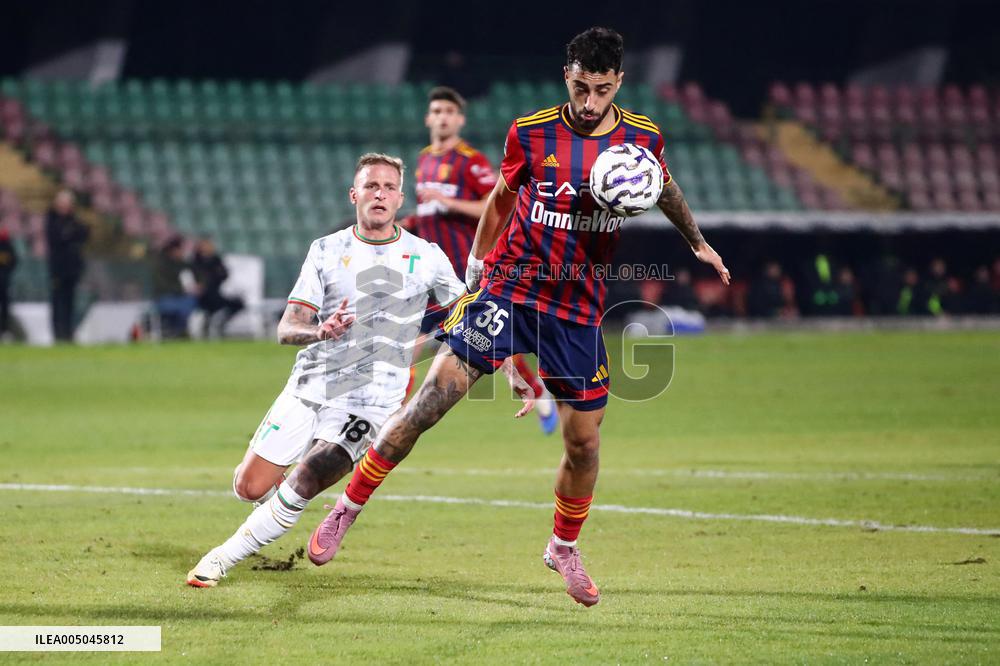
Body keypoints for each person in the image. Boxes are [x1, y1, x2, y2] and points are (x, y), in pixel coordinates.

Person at [306, 27, 730, 607]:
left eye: (601, 90)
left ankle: (563, 546)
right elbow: (501, 199)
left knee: (584, 444)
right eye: (581, 87)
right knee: (431, 402)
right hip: (510, 289)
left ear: (618, 84)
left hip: (577, 307)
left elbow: (665, 186)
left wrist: (697, 241)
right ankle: (345, 509)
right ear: (567, 77)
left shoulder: (642, 139)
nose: (588, 103)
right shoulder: (531, 134)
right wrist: (478, 263)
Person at [186, 153, 533, 587]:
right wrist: (320, 332)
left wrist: (509, 368)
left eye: (389, 187)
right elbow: (287, 327)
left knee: (309, 476)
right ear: (354, 195)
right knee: (249, 487)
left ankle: (221, 557)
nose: (380, 194)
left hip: (371, 401)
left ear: (400, 198)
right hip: (311, 385)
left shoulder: (425, 256)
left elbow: (472, 316)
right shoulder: (327, 250)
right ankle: (267, 515)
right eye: (371, 186)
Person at [406, 86, 558, 433]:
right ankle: (385, 420)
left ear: (459, 119)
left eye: (449, 111)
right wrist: (411, 222)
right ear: (429, 117)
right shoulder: (425, 159)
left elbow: (496, 205)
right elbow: (430, 213)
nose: (443, 116)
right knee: (419, 346)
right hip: (431, 270)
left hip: (465, 268)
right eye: (437, 110)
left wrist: (449, 203)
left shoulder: (469, 161)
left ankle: (536, 390)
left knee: (481, 336)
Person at [45, 189, 89, 342]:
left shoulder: (72, 220)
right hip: (58, 269)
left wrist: (70, 233)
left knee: (70, 302)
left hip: (72, 269)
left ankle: (68, 333)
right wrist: (70, 233)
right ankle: (58, 333)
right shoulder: (52, 219)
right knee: (58, 301)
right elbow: (59, 238)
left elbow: (83, 233)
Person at [191, 236, 245, 338]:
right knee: (210, 305)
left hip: (215, 293)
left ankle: (219, 322)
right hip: (203, 295)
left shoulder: (215, 259)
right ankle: (210, 323)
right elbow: (200, 278)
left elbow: (224, 274)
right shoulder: (196, 261)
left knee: (238, 303)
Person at [153, 236, 197, 338]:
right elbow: (163, 285)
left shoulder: (185, 264)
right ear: (173, 250)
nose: (181, 252)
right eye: (180, 249)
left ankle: (179, 331)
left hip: (182, 296)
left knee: (188, 303)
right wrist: (183, 289)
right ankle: (175, 331)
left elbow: (197, 276)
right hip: (165, 296)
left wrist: (197, 285)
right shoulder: (161, 265)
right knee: (175, 307)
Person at [0, 225, 16, 339]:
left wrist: (7, 273)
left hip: (4, 283)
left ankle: (4, 330)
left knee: (5, 306)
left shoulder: (7, 246)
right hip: (4, 281)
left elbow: (14, 260)